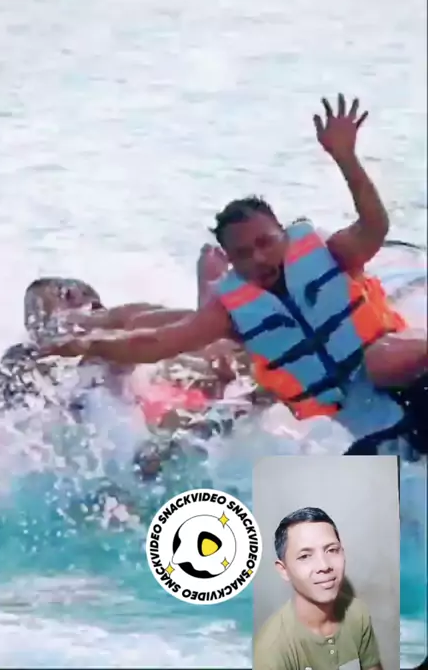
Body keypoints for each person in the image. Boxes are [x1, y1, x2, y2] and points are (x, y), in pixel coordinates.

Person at [40, 95, 428, 451]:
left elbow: (374, 225)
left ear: (284, 234)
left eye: (266, 242)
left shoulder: (331, 256)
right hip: (382, 433)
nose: (259, 257)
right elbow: (156, 342)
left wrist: (345, 157)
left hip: (414, 384)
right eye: (244, 253)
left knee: (383, 360)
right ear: (230, 261)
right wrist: (84, 344)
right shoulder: (231, 312)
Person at [253, 507, 383, 670]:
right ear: (284, 570)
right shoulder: (271, 650)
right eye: (305, 556)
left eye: (332, 550)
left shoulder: (358, 613)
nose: (324, 566)